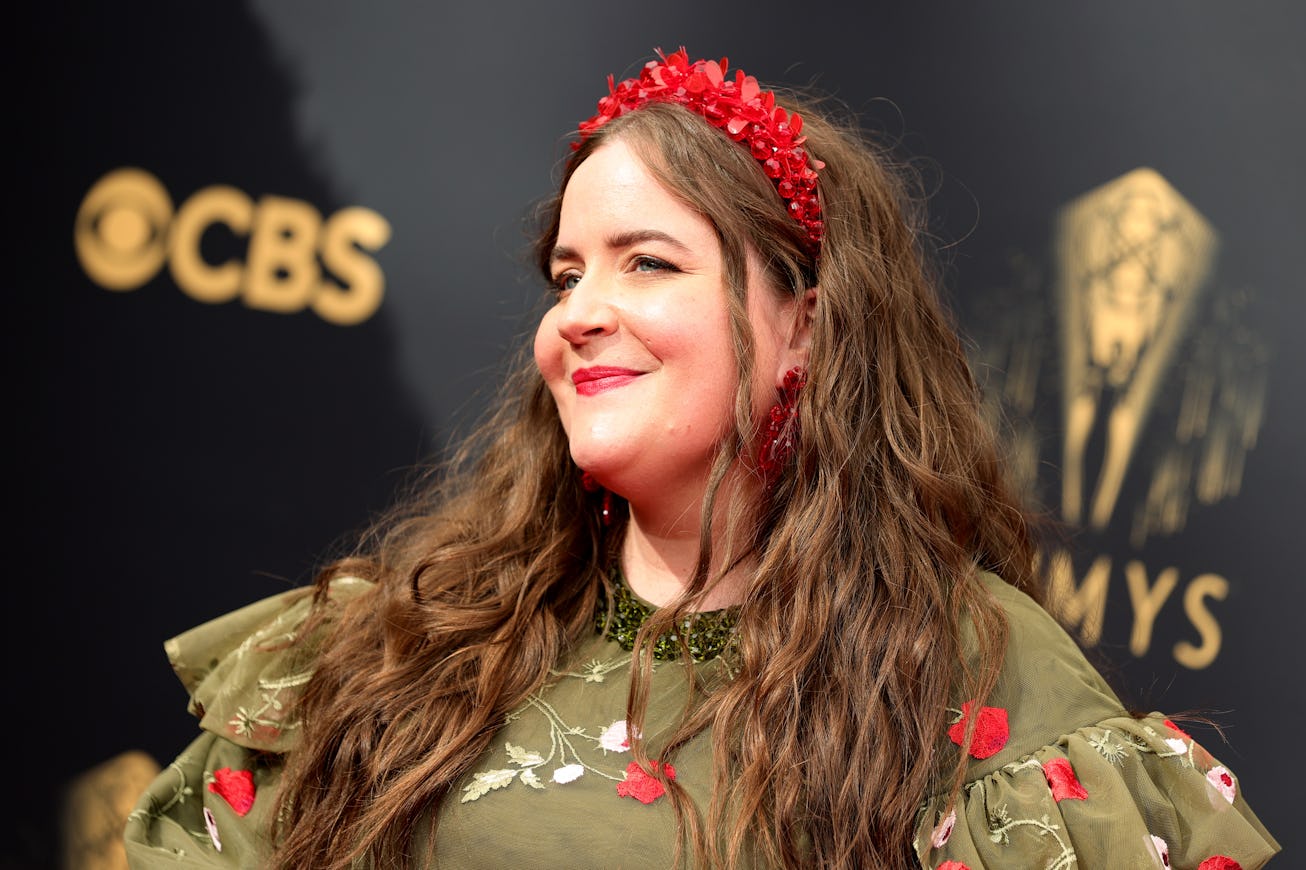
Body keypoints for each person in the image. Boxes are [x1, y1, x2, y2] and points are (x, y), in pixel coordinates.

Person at [124, 49, 1278, 869]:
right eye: (566, 274)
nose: (578, 313)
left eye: (648, 262)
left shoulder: (975, 674)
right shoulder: (399, 640)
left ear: (805, 328)